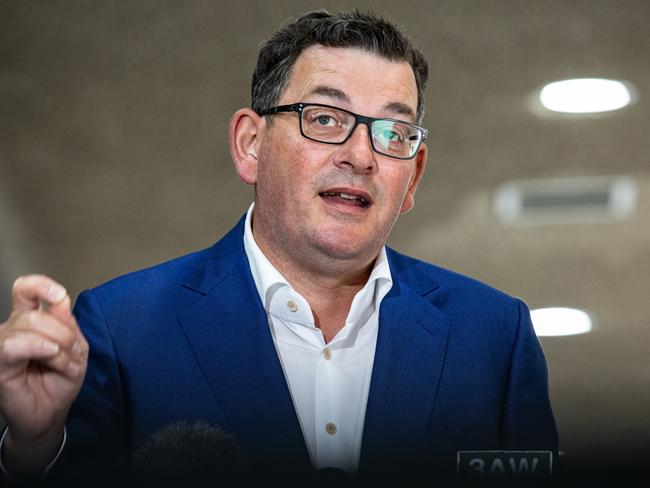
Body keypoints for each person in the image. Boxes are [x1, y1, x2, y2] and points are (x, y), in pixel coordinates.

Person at [0, 9, 558, 484]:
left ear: (412, 177)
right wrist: (34, 446)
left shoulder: (493, 337)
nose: (361, 156)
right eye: (324, 118)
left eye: (393, 133)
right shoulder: (123, 326)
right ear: (250, 144)